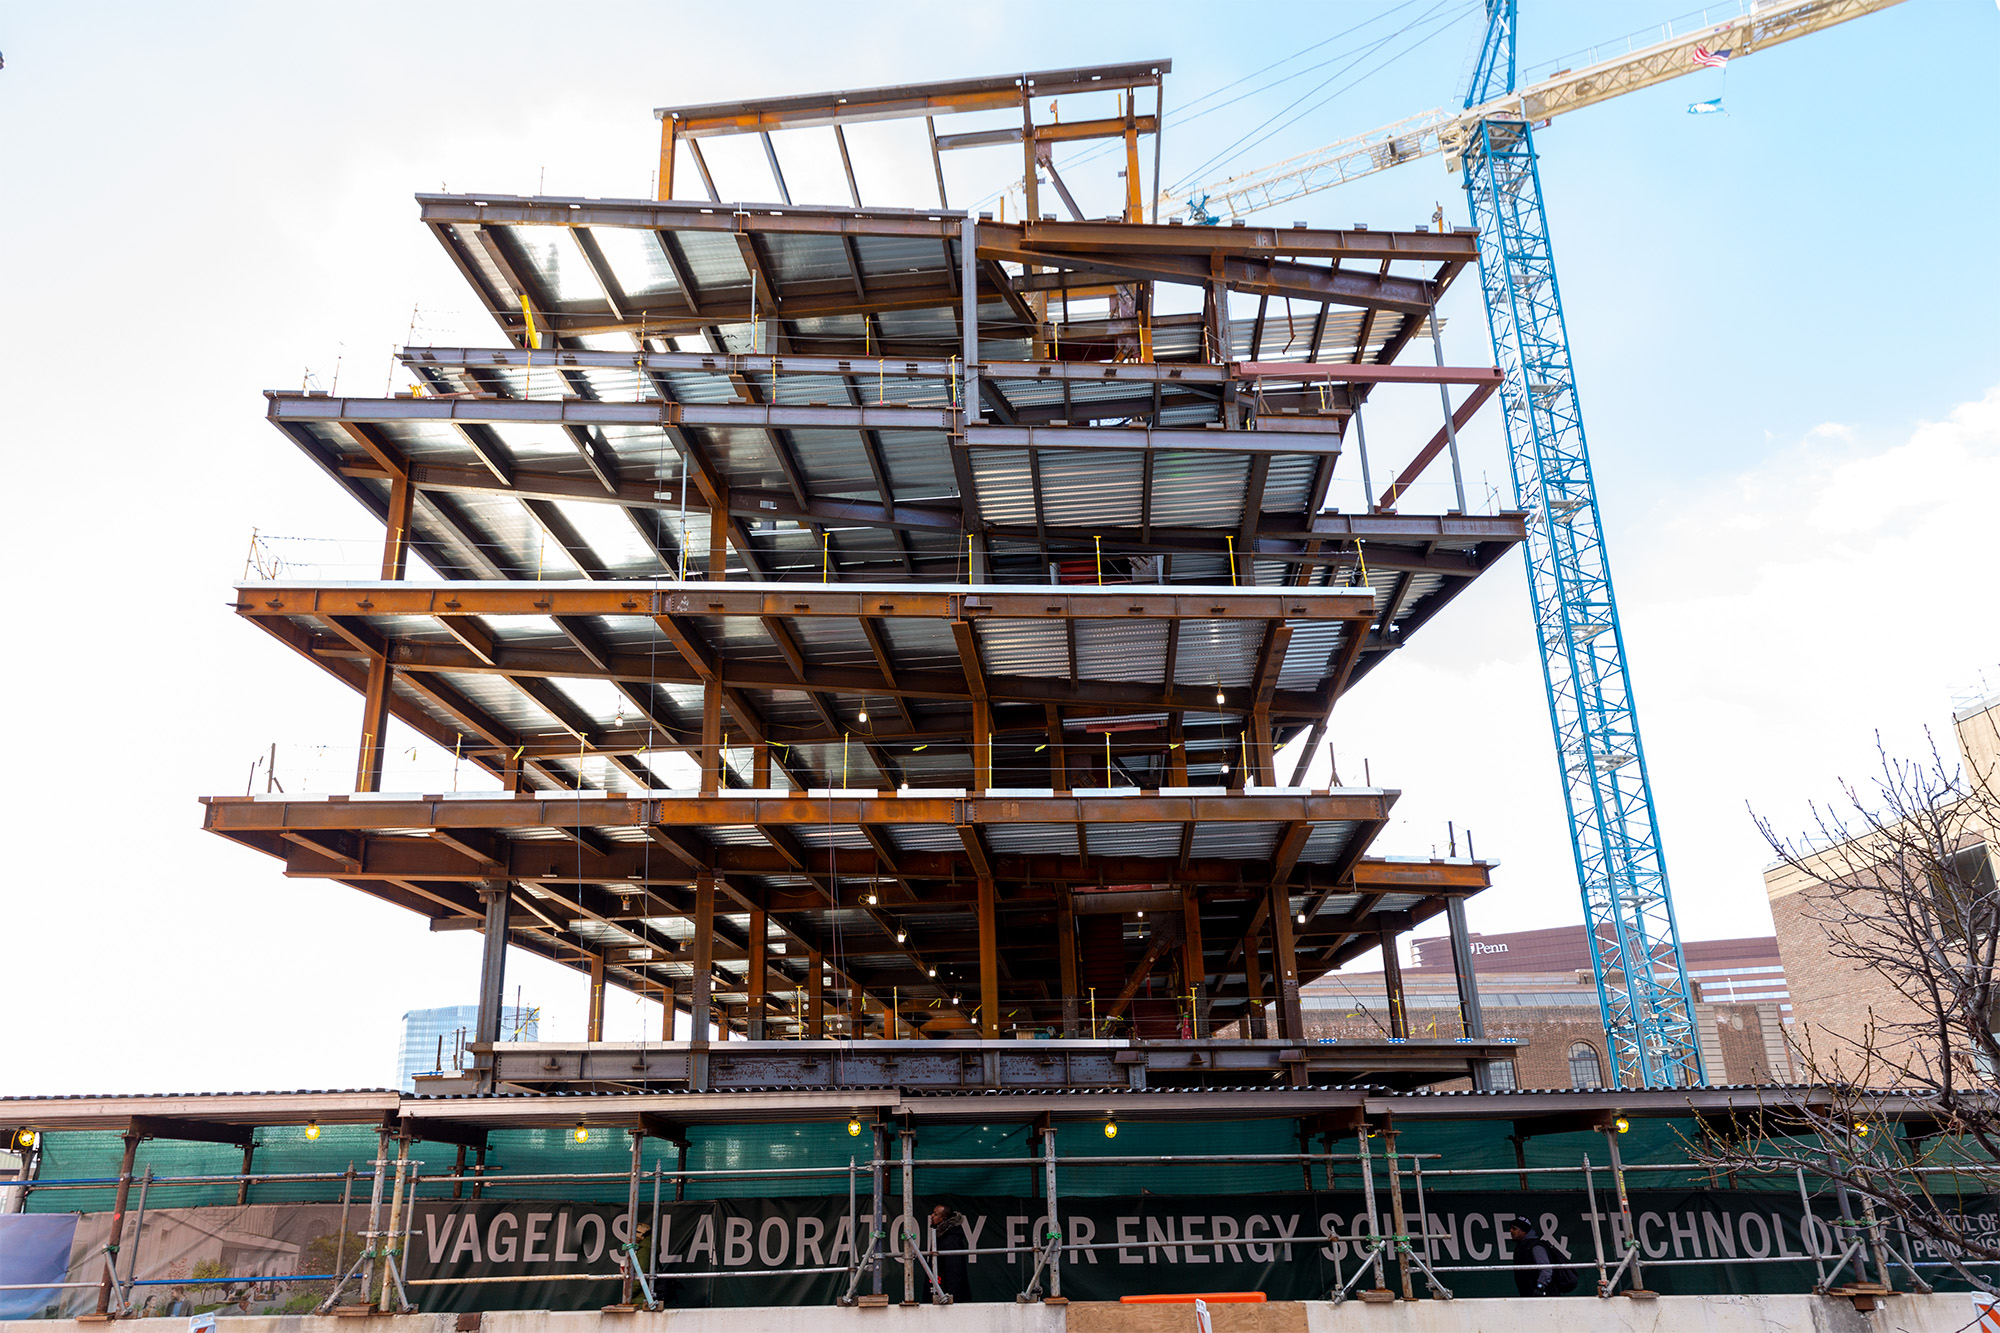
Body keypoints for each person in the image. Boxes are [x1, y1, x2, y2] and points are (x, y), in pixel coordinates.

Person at [1505, 1213, 1571, 1296]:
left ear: (1524, 1231)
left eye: (1514, 1228)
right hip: (1530, 1296)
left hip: (1544, 1297)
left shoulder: (1535, 1246)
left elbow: (1546, 1269)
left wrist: (1540, 1287)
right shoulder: (1522, 1246)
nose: (1511, 1231)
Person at [928, 1203, 972, 1304]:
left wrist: (950, 1298)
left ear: (943, 1218)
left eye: (935, 1214)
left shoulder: (951, 1240)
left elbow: (954, 1272)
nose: (932, 1216)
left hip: (947, 1298)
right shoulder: (943, 1237)